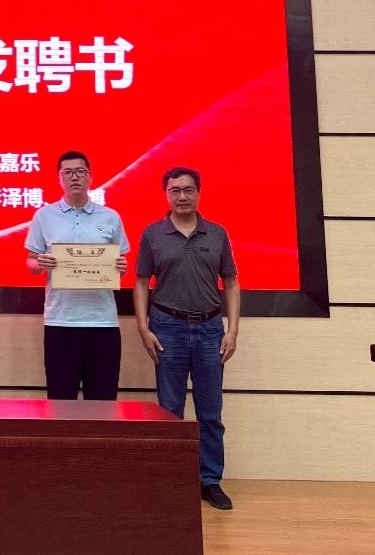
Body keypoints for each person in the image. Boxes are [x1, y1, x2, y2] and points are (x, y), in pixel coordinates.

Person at [133, 166, 240, 511]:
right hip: (168, 328)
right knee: (170, 412)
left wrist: (232, 330)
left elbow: (231, 283)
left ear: (198, 193)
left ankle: (210, 481)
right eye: (175, 190)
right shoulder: (153, 234)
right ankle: (172, 480)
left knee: (210, 412)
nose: (182, 196)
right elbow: (141, 282)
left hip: (210, 330)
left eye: (188, 190)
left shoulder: (217, 233)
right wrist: (143, 328)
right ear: (166, 194)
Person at [26, 150, 129, 400]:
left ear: (90, 177)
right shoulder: (44, 216)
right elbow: (30, 262)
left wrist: (120, 267)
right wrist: (39, 263)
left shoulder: (110, 217)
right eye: (68, 172)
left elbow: (121, 263)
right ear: (59, 178)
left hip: (102, 322)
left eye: (80, 171)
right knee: (61, 401)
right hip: (60, 321)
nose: (74, 177)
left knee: (103, 401)